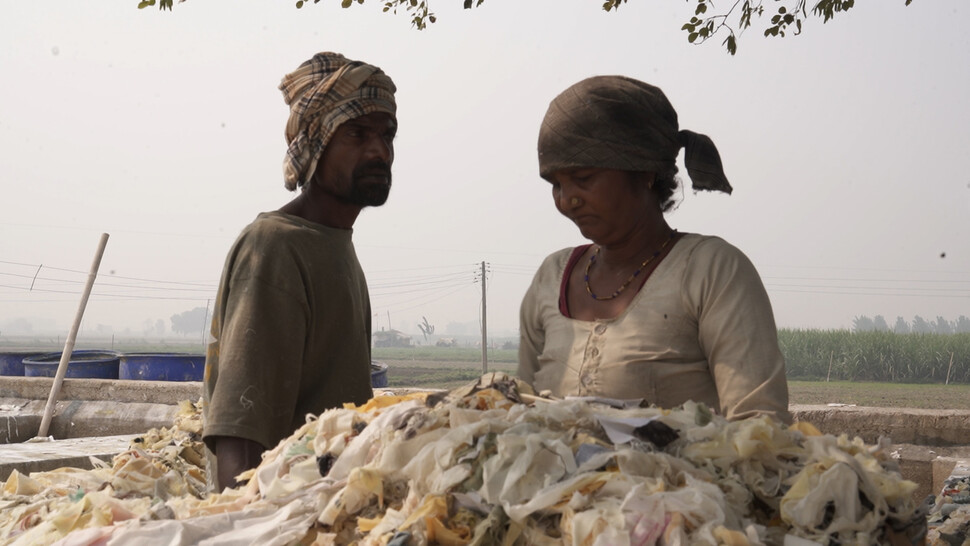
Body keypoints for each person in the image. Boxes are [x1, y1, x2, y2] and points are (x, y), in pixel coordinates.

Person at [518, 75, 791, 424]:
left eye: (583, 179)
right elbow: (519, 412)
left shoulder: (712, 270)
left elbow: (760, 424)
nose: (567, 199)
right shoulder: (551, 277)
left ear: (644, 172)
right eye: (556, 184)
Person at [202, 52, 398, 490]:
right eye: (357, 134)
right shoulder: (274, 246)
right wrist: (243, 529)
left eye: (387, 135)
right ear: (314, 142)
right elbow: (241, 428)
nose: (378, 150)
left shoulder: (335, 246)